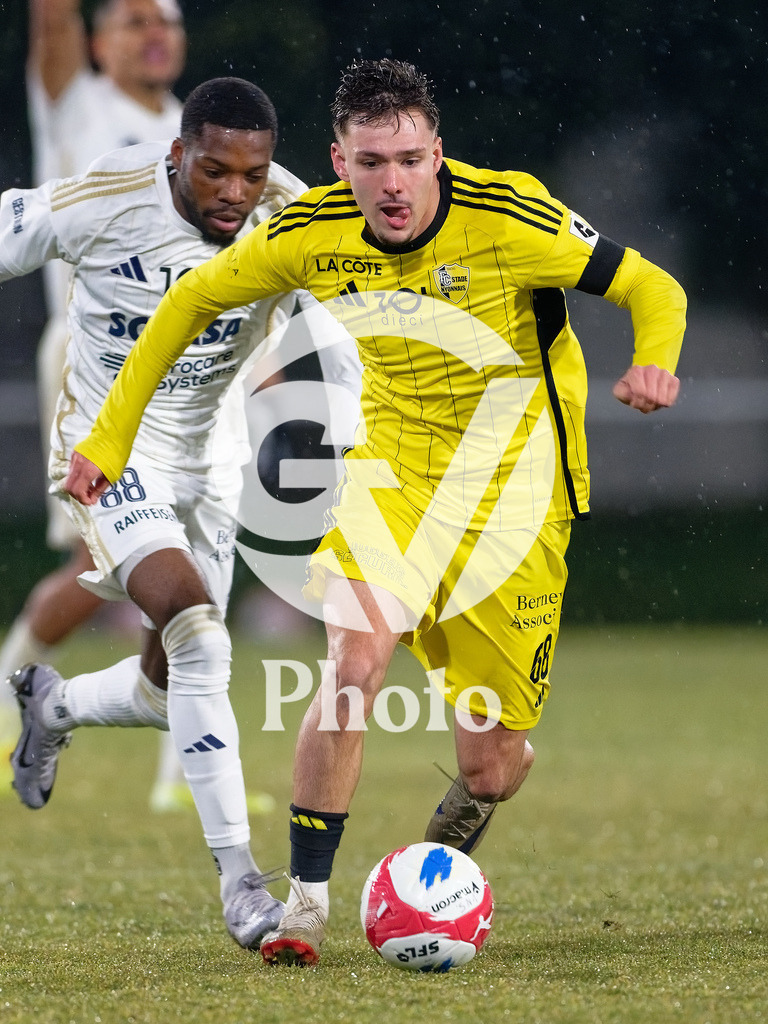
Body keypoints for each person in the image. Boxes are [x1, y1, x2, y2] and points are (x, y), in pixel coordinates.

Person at [59, 59, 687, 966]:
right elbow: (190, 302)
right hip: (391, 476)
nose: (391, 183)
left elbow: (650, 285)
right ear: (337, 161)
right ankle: (304, 907)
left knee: (492, 764)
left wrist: (654, 357)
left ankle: (464, 814)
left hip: (516, 496)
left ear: (438, 153)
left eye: (407, 158)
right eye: (369, 161)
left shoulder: (513, 216)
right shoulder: (309, 231)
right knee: (353, 662)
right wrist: (111, 440)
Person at [0, 75, 343, 950]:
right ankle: (241, 885)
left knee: (167, 688)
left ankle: (56, 705)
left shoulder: (292, 212)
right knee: (200, 634)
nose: (235, 193)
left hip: (215, 459)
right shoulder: (110, 194)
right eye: (214, 171)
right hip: (108, 452)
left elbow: (347, 321)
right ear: (176, 154)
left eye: (252, 174)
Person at [0, 0, 189, 811]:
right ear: (97, 40)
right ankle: (17, 701)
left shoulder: (190, 126)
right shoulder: (76, 99)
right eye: (135, 20)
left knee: (191, 556)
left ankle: (181, 770)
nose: (155, 34)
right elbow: (50, 24)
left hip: (183, 373)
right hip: (94, 367)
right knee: (97, 566)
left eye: (167, 21)